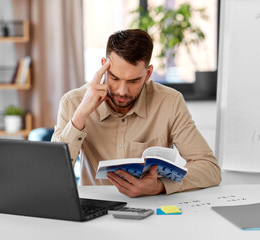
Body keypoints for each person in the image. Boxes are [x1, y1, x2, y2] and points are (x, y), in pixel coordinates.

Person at [52, 29, 221, 197]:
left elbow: (209, 167)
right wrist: (81, 114)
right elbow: (52, 173)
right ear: (104, 65)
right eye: (115, 78)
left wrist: (162, 186)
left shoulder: (170, 102)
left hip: (152, 208)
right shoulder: (73, 102)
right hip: (95, 209)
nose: (122, 91)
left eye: (133, 81)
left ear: (148, 73)